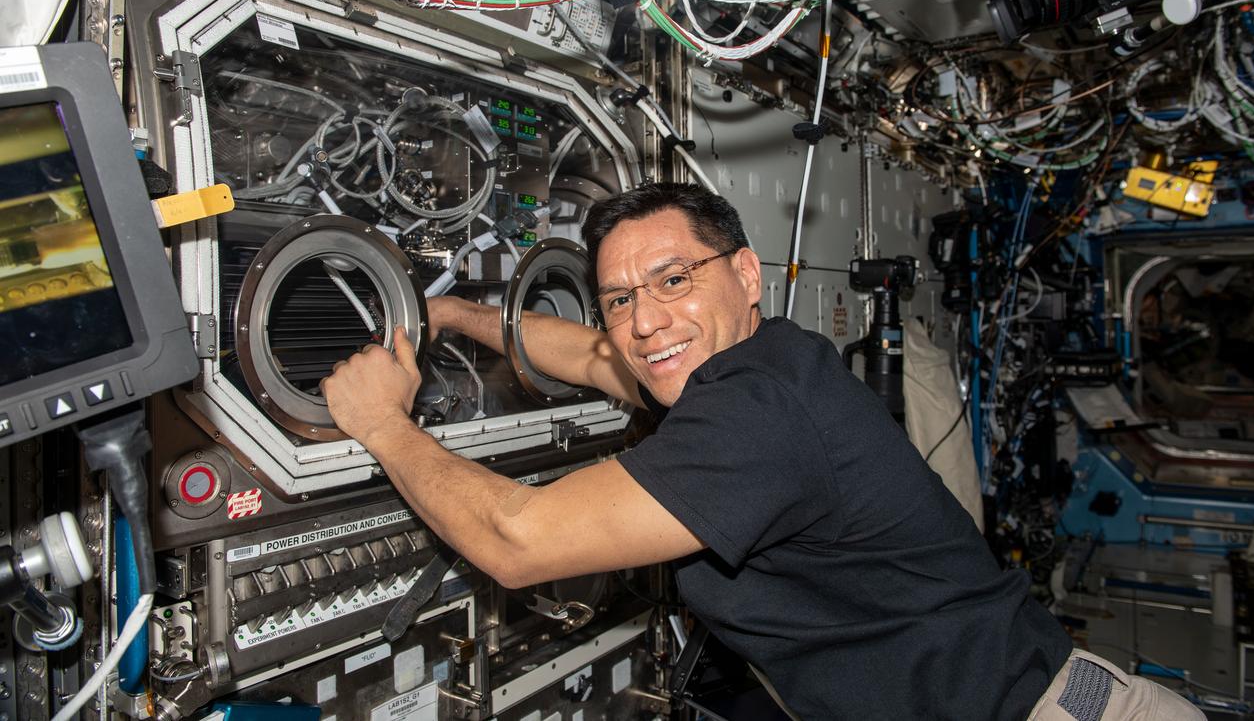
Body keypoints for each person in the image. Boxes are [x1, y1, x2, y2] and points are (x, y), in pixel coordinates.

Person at [322, 183, 1204, 720]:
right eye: (620, 298)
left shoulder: (758, 412)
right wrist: (457, 317)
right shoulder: (753, 357)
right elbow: (593, 355)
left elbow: (520, 540)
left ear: (745, 274)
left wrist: (382, 423)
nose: (645, 320)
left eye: (674, 280)